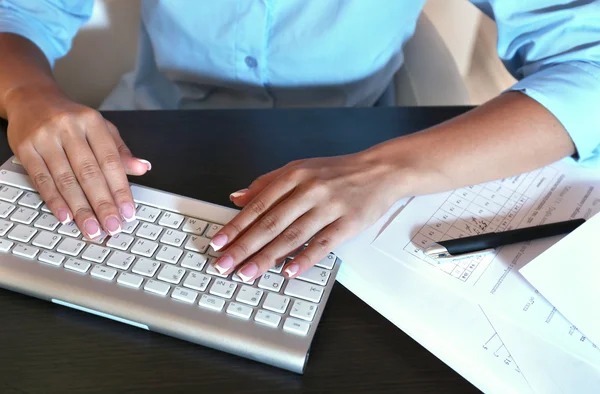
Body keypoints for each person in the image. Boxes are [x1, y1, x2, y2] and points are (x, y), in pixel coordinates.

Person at [0, 1, 598, 283]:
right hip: (155, 142)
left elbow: (589, 60)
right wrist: (28, 94)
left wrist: (390, 169)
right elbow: (20, 13)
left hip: (365, 157)